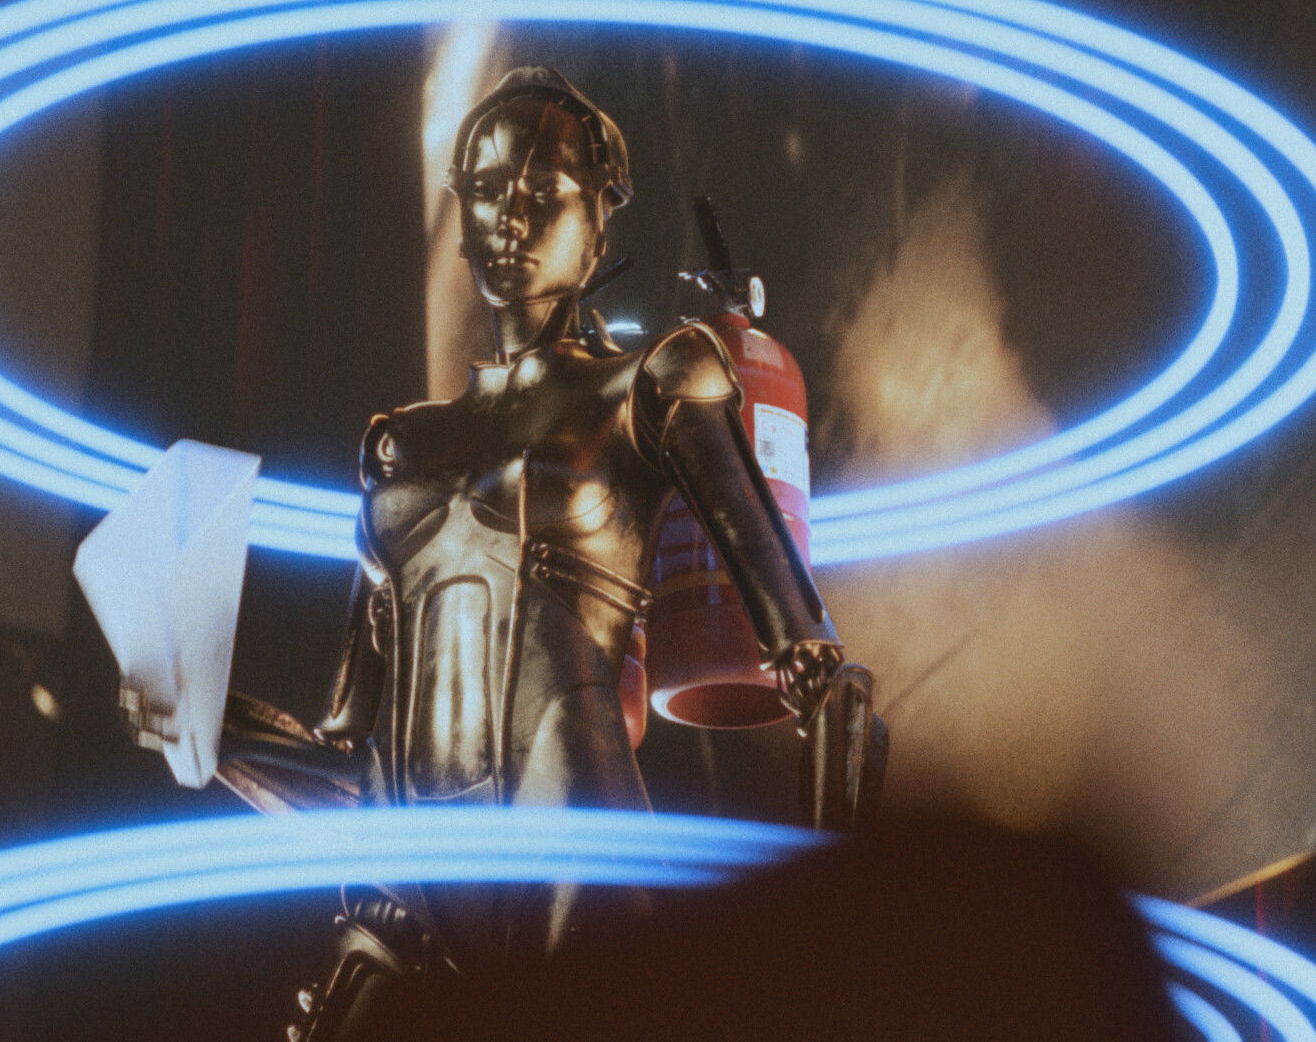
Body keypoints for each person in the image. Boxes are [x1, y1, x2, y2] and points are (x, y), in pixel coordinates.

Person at [220, 67, 882, 1041]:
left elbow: (819, 667)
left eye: (544, 190)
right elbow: (348, 750)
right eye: (488, 190)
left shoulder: (648, 385)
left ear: (599, 220)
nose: (511, 217)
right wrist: (206, 727)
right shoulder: (400, 448)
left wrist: (831, 946)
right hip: (405, 899)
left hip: (576, 874)